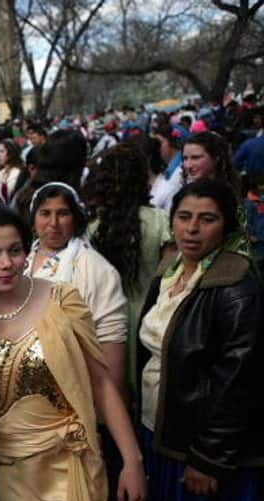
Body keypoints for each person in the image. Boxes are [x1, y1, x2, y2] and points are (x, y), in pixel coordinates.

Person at [0, 202, 146, 501]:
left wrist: (132, 461)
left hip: (71, 463)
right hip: (6, 472)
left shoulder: (62, 300)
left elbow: (101, 383)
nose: (6, 264)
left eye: (15, 250)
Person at [138, 179, 264, 501]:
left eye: (207, 219)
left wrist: (209, 459)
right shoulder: (168, 273)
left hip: (200, 449)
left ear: (227, 225)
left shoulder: (236, 289)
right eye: (184, 217)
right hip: (161, 430)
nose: (192, 229)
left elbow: (238, 381)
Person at [84, 143, 173, 397]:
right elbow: (168, 276)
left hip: (104, 320)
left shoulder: (92, 227)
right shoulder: (160, 221)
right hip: (151, 315)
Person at [25, 182, 128, 392]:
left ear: (75, 219)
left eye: (62, 213)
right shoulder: (19, 260)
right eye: (45, 213)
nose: (53, 223)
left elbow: (111, 344)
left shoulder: (96, 269)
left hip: (77, 389)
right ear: (33, 219)